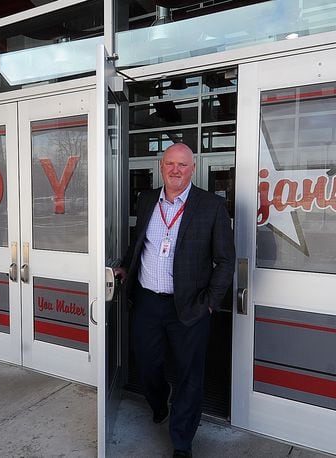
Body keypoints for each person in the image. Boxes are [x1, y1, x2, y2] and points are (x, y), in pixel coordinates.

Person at [115, 142, 235, 457]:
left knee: (189, 375)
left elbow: (225, 260)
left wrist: (209, 302)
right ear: (161, 166)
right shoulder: (146, 200)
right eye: (170, 164)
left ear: (192, 169)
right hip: (148, 302)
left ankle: (182, 441)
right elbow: (138, 243)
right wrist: (125, 267)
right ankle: (159, 398)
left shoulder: (210, 206)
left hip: (190, 305)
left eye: (182, 165)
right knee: (145, 362)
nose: (176, 170)